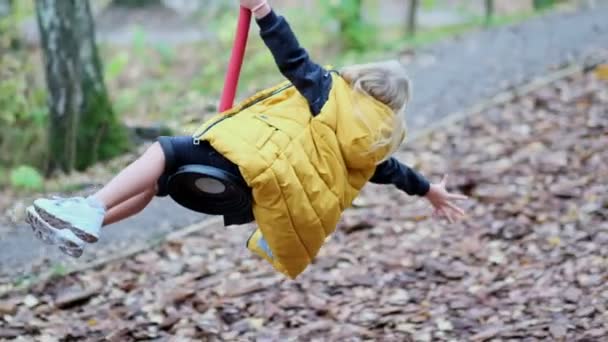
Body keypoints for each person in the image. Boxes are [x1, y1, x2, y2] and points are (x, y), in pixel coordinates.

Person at [26, 0, 467, 279]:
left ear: (363, 81)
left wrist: (263, 10)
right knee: (157, 183)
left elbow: (292, 57)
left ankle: (91, 208)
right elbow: (397, 173)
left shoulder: (331, 92)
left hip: (246, 166)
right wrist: (430, 191)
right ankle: (85, 228)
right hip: (247, 199)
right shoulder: (373, 148)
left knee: (164, 152)